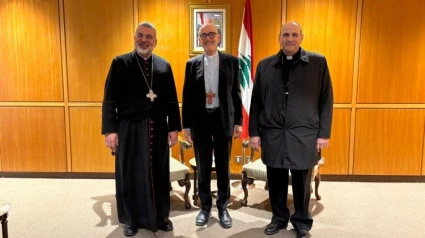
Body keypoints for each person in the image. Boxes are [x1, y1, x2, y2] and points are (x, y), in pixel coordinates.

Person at [249, 21, 333, 238]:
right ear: (279, 38)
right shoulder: (265, 65)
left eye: (294, 34)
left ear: (301, 37)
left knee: (302, 181)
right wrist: (255, 132)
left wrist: (324, 134)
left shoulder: (318, 62)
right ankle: (278, 219)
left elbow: (326, 99)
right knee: (275, 179)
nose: (290, 39)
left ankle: (302, 222)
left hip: (304, 132)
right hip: (273, 132)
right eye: (285, 35)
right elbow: (256, 101)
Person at [101, 21, 181, 237]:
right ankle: (131, 219)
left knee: (159, 173)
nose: (144, 40)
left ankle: (161, 217)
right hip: (129, 129)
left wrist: (174, 128)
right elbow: (109, 99)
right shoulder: (120, 63)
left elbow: (172, 100)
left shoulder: (164, 65)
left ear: (155, 42)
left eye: (149, 37)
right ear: (134, 37)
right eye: (140, 35)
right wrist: (110, 130)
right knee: (130, 174)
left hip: (158, 129)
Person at [182, 23, 242, 229]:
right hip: (200, 120)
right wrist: (186, 126)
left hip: (223, 118)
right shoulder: (192, 64)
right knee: (204, 166)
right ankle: (205, 207)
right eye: (203, 35)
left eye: (211, 34)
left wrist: (238, 122)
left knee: (224, 166)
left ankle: (223, 207)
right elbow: (187, 97)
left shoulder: (232, 61)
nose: (207, 38)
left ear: (218, 37)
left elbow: (236, 94)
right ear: (200, 40)